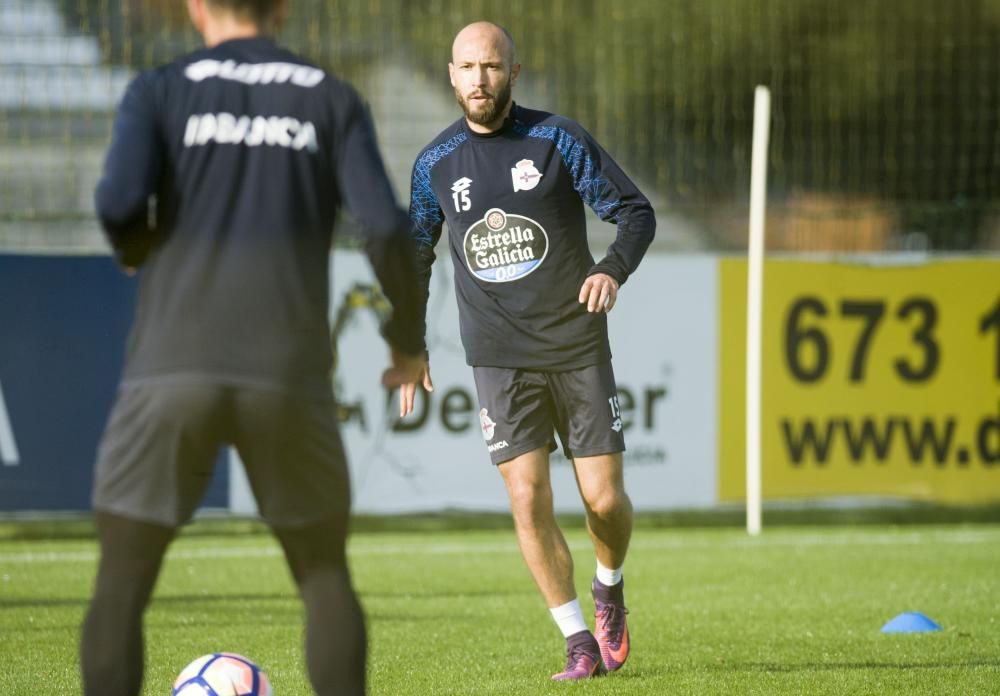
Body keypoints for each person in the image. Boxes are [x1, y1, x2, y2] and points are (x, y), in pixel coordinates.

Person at [81, 1, 425, 694]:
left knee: (120, 584)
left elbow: (118, 202)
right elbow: (387, 229)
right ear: (285, 7)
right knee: (323, 574)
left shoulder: (160, 89)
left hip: (171, 363)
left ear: (197, 5)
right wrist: (406, 338)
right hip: (288, 371)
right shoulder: (329, 96)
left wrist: (137, 247)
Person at [402, 21, 655, 682]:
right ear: (450, 75)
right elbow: (413, 254)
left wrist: (612, 270)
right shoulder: (435, 164)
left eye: (491, 66)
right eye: (467, 67)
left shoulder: (556, 140)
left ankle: (609, 584)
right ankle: (576, 640)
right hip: (497, 355)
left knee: (603, 501)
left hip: (574, 344)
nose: (479, 80)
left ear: (513, 71)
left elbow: (634, 211)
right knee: (527, 497)